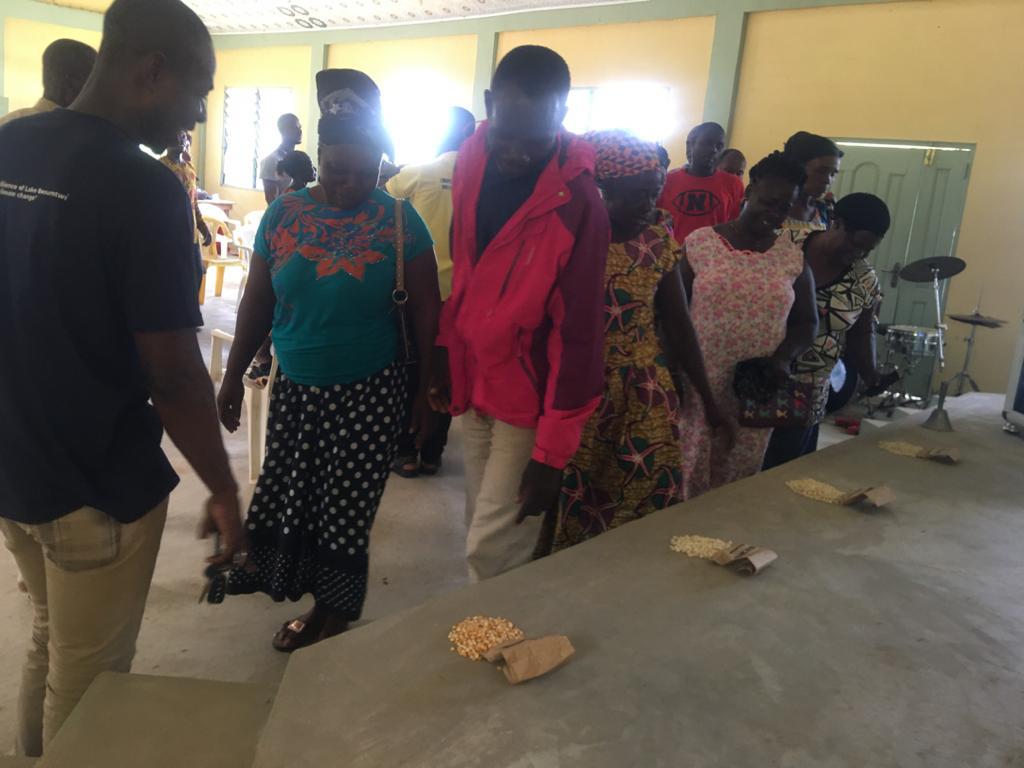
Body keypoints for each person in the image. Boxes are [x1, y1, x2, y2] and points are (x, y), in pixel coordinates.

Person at [0, 0, 243, 757]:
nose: (197, 114)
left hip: (14, 462)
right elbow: (173, 375)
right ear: (153, 72)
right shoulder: (140, 186)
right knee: (92, 684)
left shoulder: (9, 145)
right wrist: (223, 487)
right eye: (199, 92)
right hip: (92, 483)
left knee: (53, 637)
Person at [217, 69, 440, 652]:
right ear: (318, 158)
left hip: (371, 391)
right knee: (295, 498)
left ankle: (332, 613)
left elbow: (427, 311)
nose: (352, 186)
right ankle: (298, 587)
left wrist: (425, 394)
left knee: (345, 512)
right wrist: (233, 376)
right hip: (296, 386)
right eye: (339, 171)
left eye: (367, 174)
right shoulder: (283, 214)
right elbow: (257, 301)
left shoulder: (399, 219)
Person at [429, 45, 609, 582]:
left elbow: (578, 335)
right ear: (489, 105)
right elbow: (467, 274)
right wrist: (447, 354)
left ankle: (497, 627)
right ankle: (487, 621)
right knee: (478, 525)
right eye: (506, 135)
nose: (517, 153)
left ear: (563, 115)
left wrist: (551, 455)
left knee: (494, 547)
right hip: (479, 383)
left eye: (535, 140)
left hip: (531, 403)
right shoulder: (471, 159)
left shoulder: (579, 203)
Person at [534, 130, 727, 555]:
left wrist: (708, 399)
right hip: (575, 391)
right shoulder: (566, 238)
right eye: (637, 194)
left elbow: (679, 324)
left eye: (654, 192)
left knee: (649, 489)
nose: (649, 205)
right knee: (572, 495)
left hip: (643, 388)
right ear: (599, 190)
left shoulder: (656, 241)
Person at [676, 151, 818, 500]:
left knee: (739, 481)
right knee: (687, 475)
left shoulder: (792, 258)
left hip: (755, 391)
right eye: (769, 202)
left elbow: (807, 322)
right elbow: (672, 315)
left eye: (785, 207)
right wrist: (671, 373)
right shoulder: (700, 243)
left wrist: (782, 359)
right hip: (697, 383)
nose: (775, 214)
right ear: (749, 192)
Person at [763, 193, 890, 469]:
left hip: (808, 391)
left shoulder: (864, 279)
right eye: (856, 244)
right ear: (837, 223)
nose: (859, 254)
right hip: (757, 376)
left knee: (785, 471)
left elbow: (862, 331)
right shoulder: (782, 243)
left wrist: (871, 372)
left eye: (868, 249)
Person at [386, 105, 476, 478]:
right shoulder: (481, 178)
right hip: (462, 296)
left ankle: (406, 450)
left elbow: (384, 197)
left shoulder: (419, 173)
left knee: (412, 369)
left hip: (417, 289)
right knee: (447, 370)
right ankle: (434, 452)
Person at [656, 122, 744, 241]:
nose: (714, 150)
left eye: (719, 146)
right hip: (674, 250)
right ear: (690, 145)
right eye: (707, 143)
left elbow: (733, 225)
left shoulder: (733, 184)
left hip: (714, 251)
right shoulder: (667, 181)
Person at [0, 39, 96, 127]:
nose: (95, 90)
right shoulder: (83, 131)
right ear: (72, 82)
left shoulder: (7, 124)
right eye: (91, 79)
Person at [160, 130, 212, 292]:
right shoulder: (161, 167)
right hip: (171, 234)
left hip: (191, 234)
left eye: (183, 137)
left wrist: (203, 227)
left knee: (197, 274)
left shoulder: (189, 168)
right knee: (174, 279)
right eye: (176, 136)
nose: (181, 141)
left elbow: (193, 202)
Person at [781, 131, 843, 235]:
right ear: (797, 167)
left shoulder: (824, 211)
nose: (828, 180)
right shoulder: (769, 208)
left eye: (833, 174)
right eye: (821, 171)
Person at [260, 112, 303, 204]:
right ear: (284, 131)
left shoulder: (298, 159)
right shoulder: (271, 161)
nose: (300, 131)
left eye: (300, 128)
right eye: (295, 128)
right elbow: (272, 201)